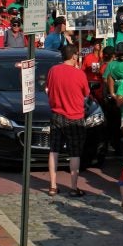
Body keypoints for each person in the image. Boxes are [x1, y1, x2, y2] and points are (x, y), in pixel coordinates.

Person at [45, 44, 90, 197]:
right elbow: (86, 93)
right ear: (74, 56)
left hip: (57, 114)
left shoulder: (53, 70)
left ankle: (52, 185)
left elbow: (48, 89)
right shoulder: (79, 74)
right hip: (75, 116)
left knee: (54, 150)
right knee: (75, 153)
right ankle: (73, 186)